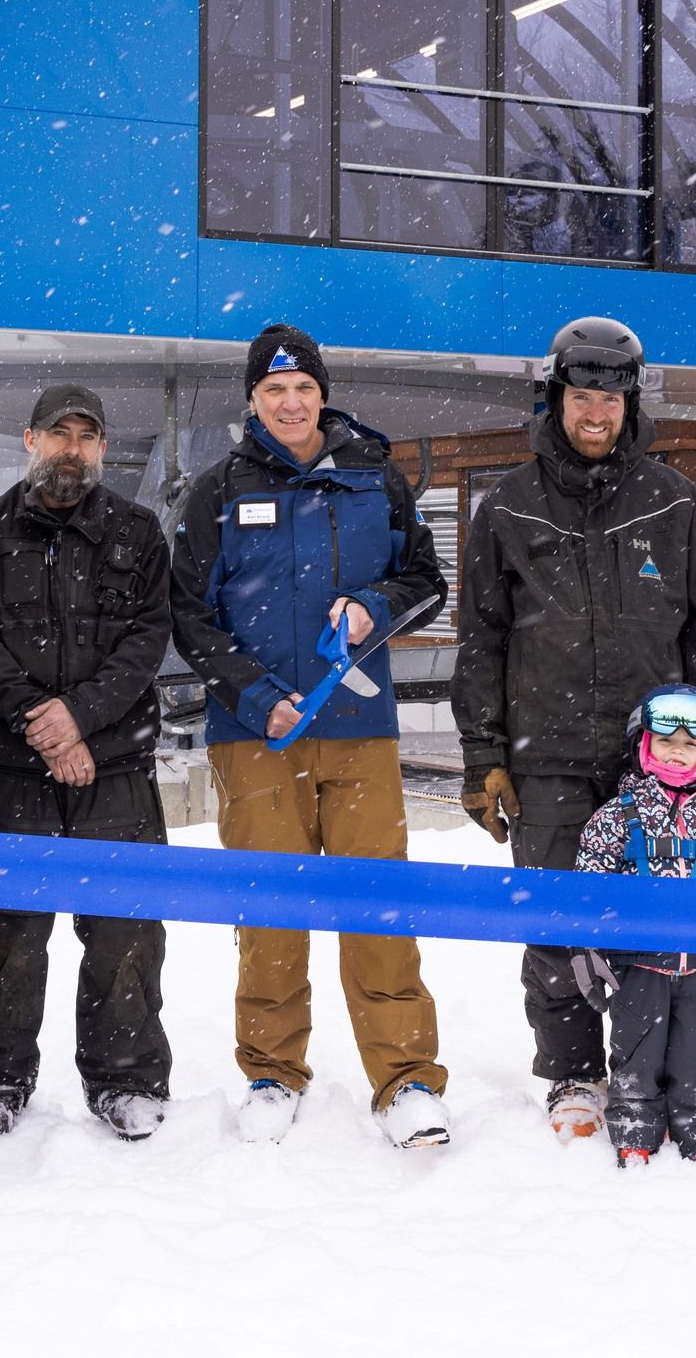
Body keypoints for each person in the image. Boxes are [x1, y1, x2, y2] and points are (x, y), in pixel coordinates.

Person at [452, 315, 696, 1140]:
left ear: (629, 402)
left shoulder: (675, 503)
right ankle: (573, 1073)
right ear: (556, 397)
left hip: (659, 763)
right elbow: (482, 641)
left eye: (610, 398)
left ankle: (650, 1071)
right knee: (558, 920)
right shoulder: (507, 506)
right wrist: (484, 755)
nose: (595, 413)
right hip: (547, 758)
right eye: (581, 396)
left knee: (663, 924)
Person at [169, 322, 452, 1149]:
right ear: (252, 400)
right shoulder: (218, 488)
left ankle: (405, 1080)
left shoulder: (375, 477)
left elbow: (426, 580)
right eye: (272, 390)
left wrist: (375, 606)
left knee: (379, 905)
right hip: (257, 736)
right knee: (270, 910)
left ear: (321, 392)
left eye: (302, 388)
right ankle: (270, 1071)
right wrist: (256, 698)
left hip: (359, 725)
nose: (290, 403)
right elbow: (188, 614)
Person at [0, 384, 177, 1143]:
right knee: (5, 935)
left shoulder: (139, 534)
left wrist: (79, 720)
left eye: (86, 436)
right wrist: (45, 730)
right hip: (13, 770)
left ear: (103, 448)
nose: (71, 448)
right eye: (57, 433)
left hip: (115, 771)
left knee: (125, 935)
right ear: (29, 439)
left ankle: (127, 1079)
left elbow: (144, 646)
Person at [569, 683, 696, 1165]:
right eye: (665, 741)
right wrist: (585, 947)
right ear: (644, 744)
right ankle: (635, 1133)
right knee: (636, 1056)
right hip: (637, 968)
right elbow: (589, 884)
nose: (677, 753)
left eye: (689, 744)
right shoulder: (617, 815)